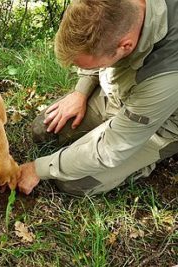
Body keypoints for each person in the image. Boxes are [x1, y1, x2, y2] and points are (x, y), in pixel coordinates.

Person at [17, 0, 178, 196]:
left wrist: (38, 168)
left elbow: (114, 145)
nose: (86, 70)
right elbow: (99, 38)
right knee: (43, 130)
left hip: (160, 123)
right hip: (117, 92)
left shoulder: (168, 73)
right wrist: (81, 91)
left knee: (73, 183)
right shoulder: (114, 12)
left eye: (89, 67)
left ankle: (145, 162)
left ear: (126, 46)